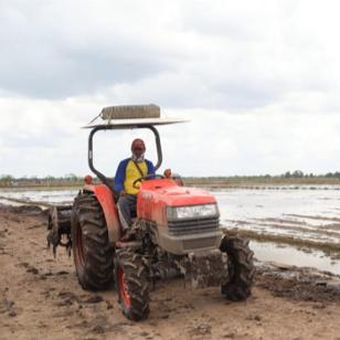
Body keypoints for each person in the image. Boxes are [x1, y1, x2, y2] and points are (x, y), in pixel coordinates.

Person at [114, 138, 155, 236]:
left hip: (144, 195)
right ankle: (128, 229)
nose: (138, 151)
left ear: (144, 150)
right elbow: (118, 180)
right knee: (121, 202)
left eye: (140, 149)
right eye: (135, 149)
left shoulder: (149, 164)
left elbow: (152, 180)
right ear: (132, 150)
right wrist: (121, 190)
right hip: (129, 195)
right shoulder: (124, 164)